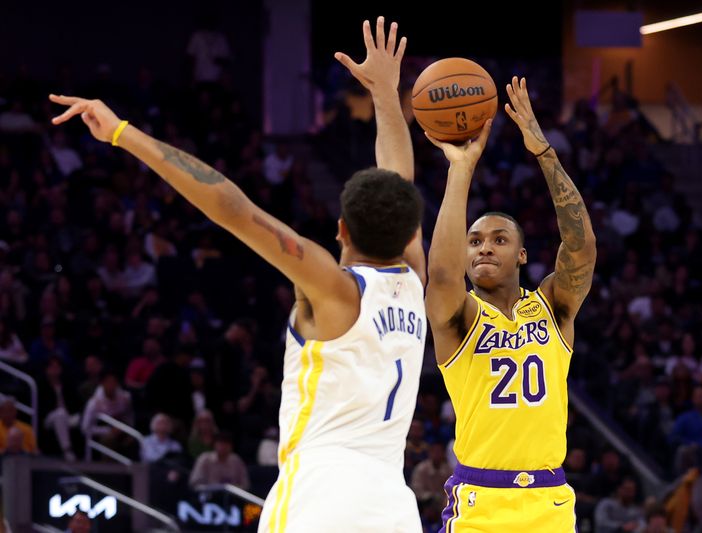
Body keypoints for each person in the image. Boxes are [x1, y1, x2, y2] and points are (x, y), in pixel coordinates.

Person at [51, 16, 425, 533]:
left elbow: (231, 207)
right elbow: (399, 176)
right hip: (392, 505)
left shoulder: (335, 289)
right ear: (410, 229)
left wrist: (122, 133)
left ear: (340, 229)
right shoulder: (415, 283)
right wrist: (387, 93)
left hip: (321, 495)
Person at [425, 76, 596, 532]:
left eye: (499, 240)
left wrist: (544, 152)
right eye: (475, 241)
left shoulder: (553, 308)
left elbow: (581, 249)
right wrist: (461, 168)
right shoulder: (460, 319)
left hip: (549, 503)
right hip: (480, 503)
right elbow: (441, 275)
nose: (484, 248)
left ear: (521, 255)